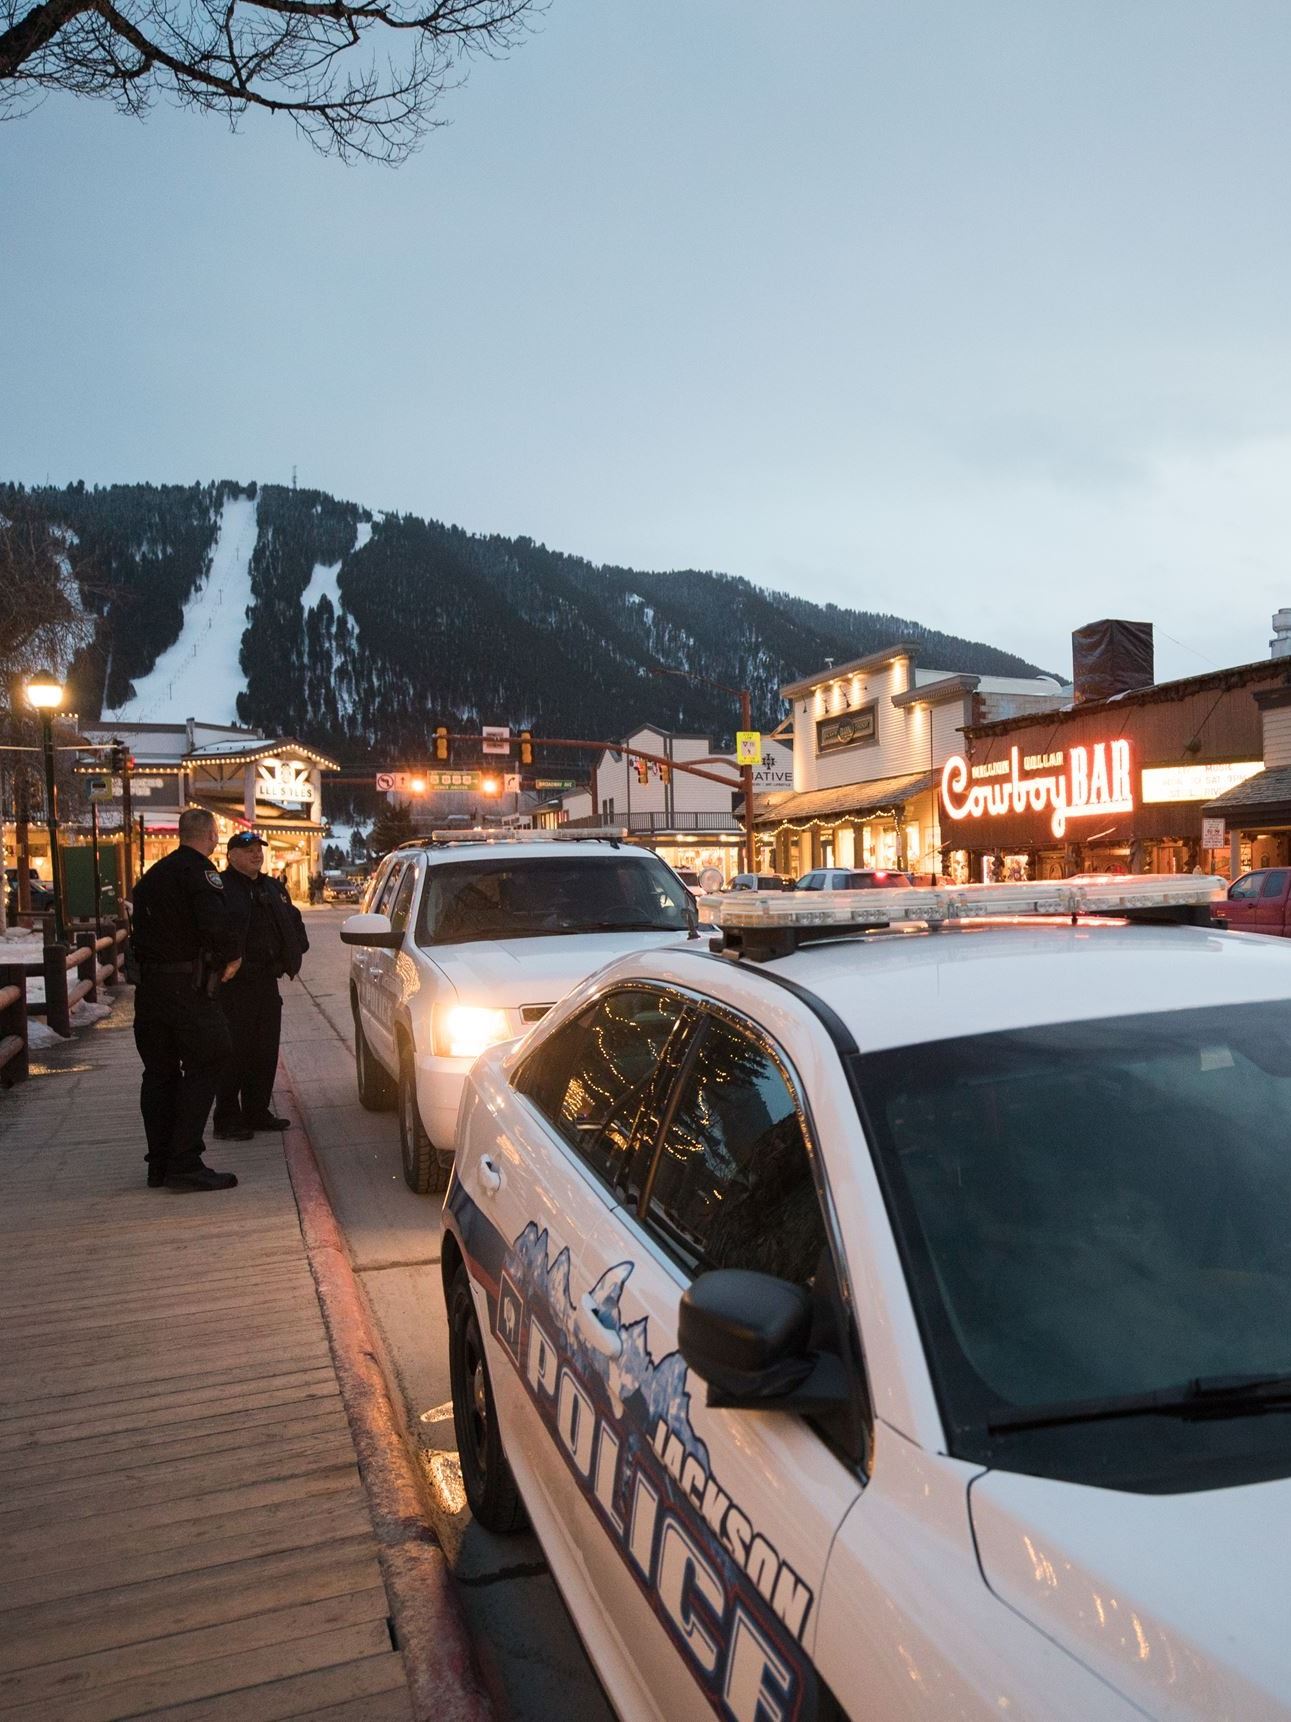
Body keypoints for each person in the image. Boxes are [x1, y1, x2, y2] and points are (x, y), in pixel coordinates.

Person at [130, 807, 242, 1192]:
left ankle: (158, 1163)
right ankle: (185, 1161)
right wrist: (232, 957)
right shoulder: (200, 874)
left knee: (158, 1074)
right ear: (210, 834)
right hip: (187, 990)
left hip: (149, 993)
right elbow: (216, 924)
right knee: (210, 1057)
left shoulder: (151, 877)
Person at [213, 831, 309, 1139]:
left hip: (267, 982)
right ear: (231, 856)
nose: (256, 854)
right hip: (234, 986)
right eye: (248, 850)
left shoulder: (272, 887)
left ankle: (257, 1111)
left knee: (264, 1051)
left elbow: (293, 923)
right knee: (234, 1053)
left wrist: (292, 953)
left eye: (258, 849)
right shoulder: (221, 889)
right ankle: (227, 1119)